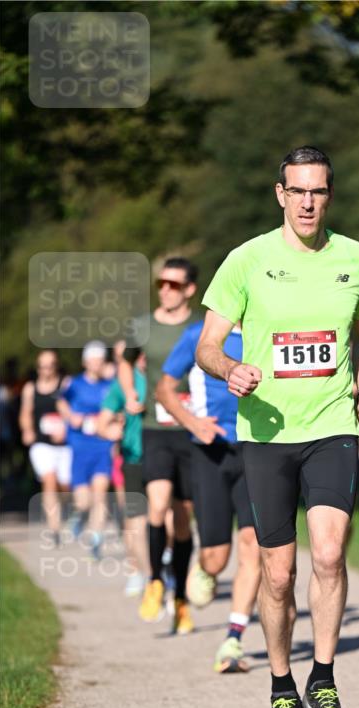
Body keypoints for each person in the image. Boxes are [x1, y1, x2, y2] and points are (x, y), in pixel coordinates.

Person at [196, 145, 359, 708]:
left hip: (332, 426)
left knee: (328, 555)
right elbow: (206, 346)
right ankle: (282, 689)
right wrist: (229, 369)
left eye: (319, 191)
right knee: (278, 575)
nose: (308, 202)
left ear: (331, 195)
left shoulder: (358, 260)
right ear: (280, 194)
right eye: (297, 191)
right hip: (266, 433)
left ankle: (323, 683)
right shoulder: (246, 260)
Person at [155, 321, 261, 673]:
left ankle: (234, 637)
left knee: (253, 544)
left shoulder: (270, 326)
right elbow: (165, 389)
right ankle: (204, 569)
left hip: (257, 450)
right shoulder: (198, 335)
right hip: (210, 450)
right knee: (216, 559)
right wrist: (193, 423)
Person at [119, 258, 201, 635]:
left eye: (173, 284)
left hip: (189, 430)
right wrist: (129, 394)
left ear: (189, 290)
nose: (165, 289)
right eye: (161, 283)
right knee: (156, 504)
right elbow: (124, 362)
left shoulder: (199, 328)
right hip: (154, 428)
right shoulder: (142, 326)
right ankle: (155, 581)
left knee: (183, 520)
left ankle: (180, 598)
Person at [96, 347, 150, 597]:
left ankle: (163, 567)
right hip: (133, 458)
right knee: (135, 520)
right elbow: (101, 423)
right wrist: (111, 432)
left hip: (165, 457)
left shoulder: (165, 376)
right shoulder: (122, 385)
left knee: (167, 517)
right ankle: (137, 570)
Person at [56, 341, 114, 560]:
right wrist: (72, 418)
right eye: (93, 360)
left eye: (101, 360)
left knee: (100, 495)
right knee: (83, 500)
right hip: (79, 446)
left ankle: (96, 538)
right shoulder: (75, 384)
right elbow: (61, 403)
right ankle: (79, 515)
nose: (97, 364)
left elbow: (116, 408)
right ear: (86, 362)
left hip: (102, 446)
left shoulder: (109, 385)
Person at [19, 349, 71, 544]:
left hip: (65, 445)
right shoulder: (30, 388)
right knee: (49, 480)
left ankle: (67, 510)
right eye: (42, 366)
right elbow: (25, 413)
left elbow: (73, 410)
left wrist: (65, 430)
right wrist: (27, 430)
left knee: (65, 486)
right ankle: (54, 527)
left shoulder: (65, 385)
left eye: (50, 365)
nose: (46, 370)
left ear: (56, 366)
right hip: (42, 444)